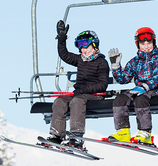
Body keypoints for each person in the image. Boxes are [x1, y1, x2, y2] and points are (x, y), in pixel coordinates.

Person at [41, 20, 110, 150]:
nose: (84, 50)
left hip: (95, 95)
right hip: (79, 94)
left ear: (94, 46)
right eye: (81, 47)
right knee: (60, 101)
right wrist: (61, 39)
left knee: (76, 101)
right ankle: (57, 135)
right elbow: (64, 55)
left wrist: (84, 90)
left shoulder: (101, 62)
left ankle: (76, 136)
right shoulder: (80, 60)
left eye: (87, 47)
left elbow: (103, 84)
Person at [107, 27, 158, 145]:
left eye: (149, 42)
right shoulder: (135, 62)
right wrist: (115, 66)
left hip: (156, 90)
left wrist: (146, 86)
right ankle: (123, 132)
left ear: (153, 42)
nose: (146, 46)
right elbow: (123, 79)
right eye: (142, 43)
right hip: (139, 90)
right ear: (138, 44)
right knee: (120, 99)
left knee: (141, 99)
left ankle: (145, 133)